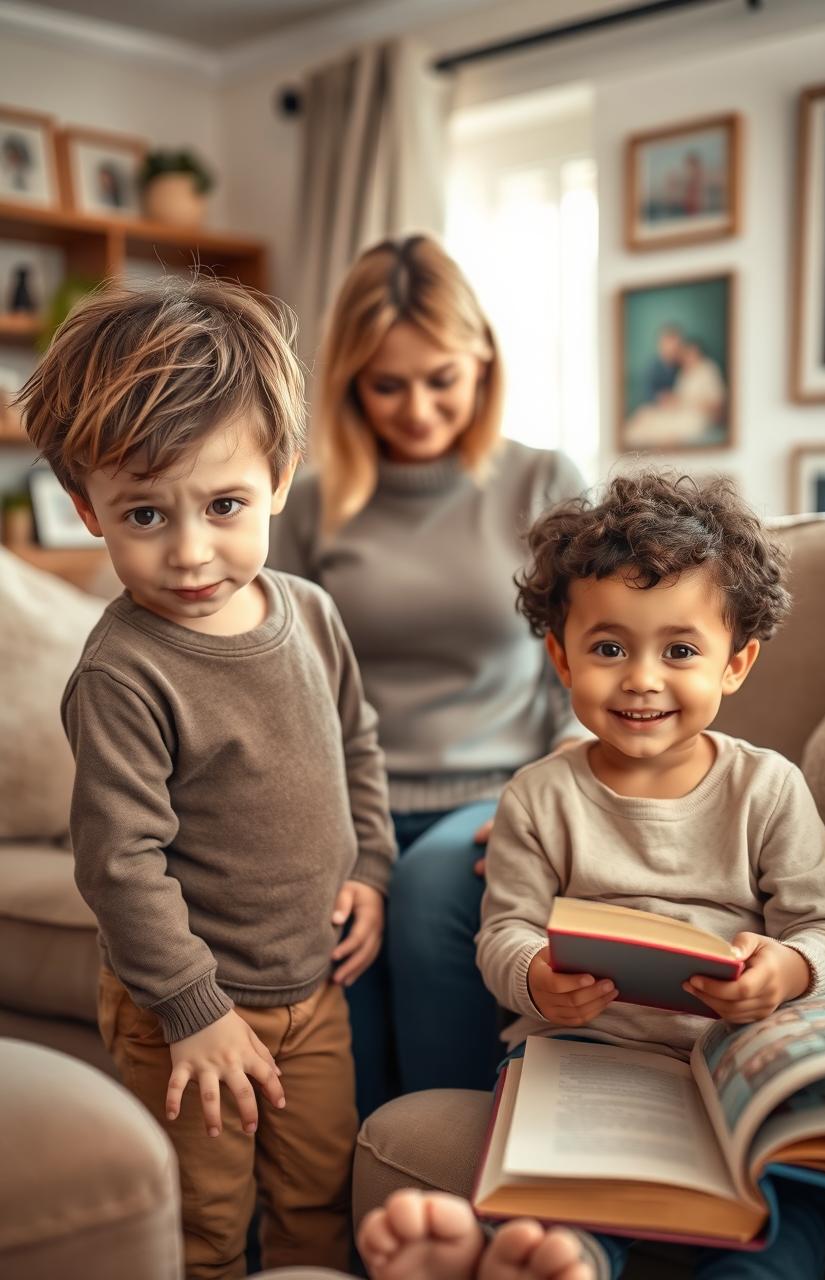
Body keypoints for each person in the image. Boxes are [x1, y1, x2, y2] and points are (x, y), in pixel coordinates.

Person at [357, 471, 825, 1280]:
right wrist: (538, 979)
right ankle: (558, 1258)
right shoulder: (540, 794)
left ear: (736, 663)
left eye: (680, 650)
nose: (642, 677)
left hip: (736, 1070)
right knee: (567, 1192)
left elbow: (820, 926)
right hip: (589, 1055)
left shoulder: (768, 787)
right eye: (609, 648)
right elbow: (503, 929)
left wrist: (785, 968)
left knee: (790, 1226)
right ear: (561, 657)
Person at [18, 277, 396, 1279]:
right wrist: (195, 1009)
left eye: (223, 505)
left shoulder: (311, 613)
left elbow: (356, 742)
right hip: (182, 1007)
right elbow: (118, 863)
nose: (190, 552)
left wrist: (372, 867)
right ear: (85, 507)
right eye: (144, 512)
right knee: (202, 1225)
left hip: (312, 990)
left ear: (280, 475)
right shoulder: (122, 672)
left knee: (319, 1197)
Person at [270, 233, 587, 1118]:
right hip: (346, 800)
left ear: (481, 361)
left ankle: (444, 1173)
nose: (417, 408)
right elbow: (282, 676)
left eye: (440, 378)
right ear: (349, 384)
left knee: (428, 895)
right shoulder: (306, 504)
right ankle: (358, 1200)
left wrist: (559, 772)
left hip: (493, 794)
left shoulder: (543, 479)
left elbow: (596, 647)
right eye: (387, 383)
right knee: (322, 935)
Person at [627, 337, 726, 449]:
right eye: (685, 354)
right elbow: (680, 397)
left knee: (651, 429)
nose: (688, 357)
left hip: (697, 418)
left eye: (691, 354)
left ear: (698, 353)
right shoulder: (684, 373)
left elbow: (717, 404)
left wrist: (688, 402)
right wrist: (671, 400)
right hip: (679, 411)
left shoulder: (708, 369)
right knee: (643, 414)